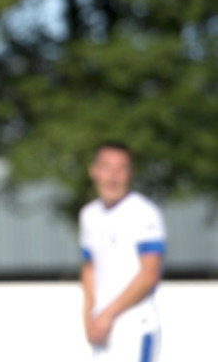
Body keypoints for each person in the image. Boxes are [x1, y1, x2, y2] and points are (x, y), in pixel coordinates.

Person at [79, 141, 166, 362]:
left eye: (120, 168)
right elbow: (90, 268)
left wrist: (107, 315)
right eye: (106, 167)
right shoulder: (89, 215)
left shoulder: (144, 213)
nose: (112, 176)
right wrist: (89, 316)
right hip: (102, 330)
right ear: (94, 171)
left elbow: (149, 274)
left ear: (130, 173)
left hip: (134, 326)